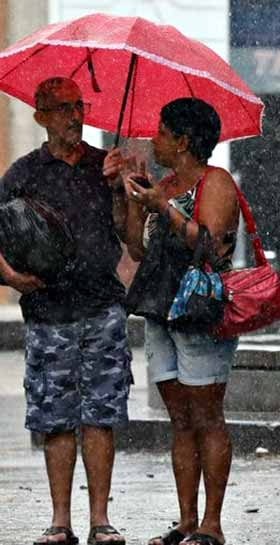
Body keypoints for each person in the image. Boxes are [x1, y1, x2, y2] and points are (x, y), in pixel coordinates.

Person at [0, 77, 132, 545]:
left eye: (78, 106)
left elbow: (131, 239)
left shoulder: (105, 166)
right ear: (41, 117)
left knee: (101, 414)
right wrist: (12, 278)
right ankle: (60, 522)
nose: (74, 116)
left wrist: (119, 191)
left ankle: (101, 521)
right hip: (49, 311)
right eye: (62, 108)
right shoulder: (22, 174)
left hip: (102, 307)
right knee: (55, 419)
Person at [122, 98, 240, 545]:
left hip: (199, 312)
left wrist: (165, 209)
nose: (155, 139)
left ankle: (213, 523)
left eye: (162, 132)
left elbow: (207, 245)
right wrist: (133, 200)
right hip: (160, 309)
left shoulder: (216, 182)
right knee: (180, 419)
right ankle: (186, 520)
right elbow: (136, 249)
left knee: (207, 415)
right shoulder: (164, 184)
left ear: (184, 141)